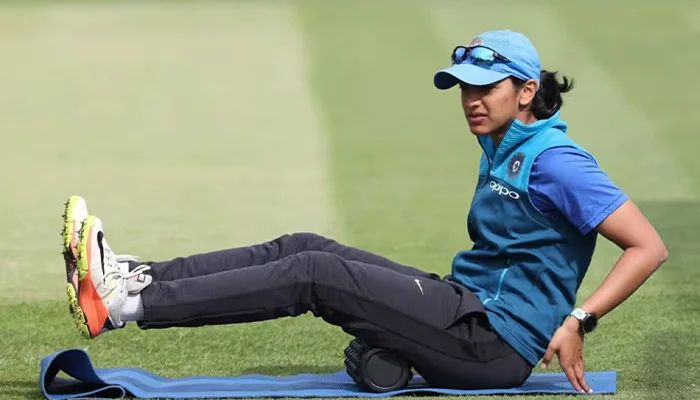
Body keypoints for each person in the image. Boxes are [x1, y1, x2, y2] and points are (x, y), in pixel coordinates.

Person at [59, 29, 668, 394]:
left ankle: (121, 305)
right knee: (303, 246)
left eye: (487, 87)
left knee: (314, 276)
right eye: (465, 86)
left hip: (494, 345)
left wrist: (578, 319)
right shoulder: (503, 145)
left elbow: (647, 246)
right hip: (466, 310)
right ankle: (138, 276)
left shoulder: (559, 161)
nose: (471, 100)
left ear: (526, 91)